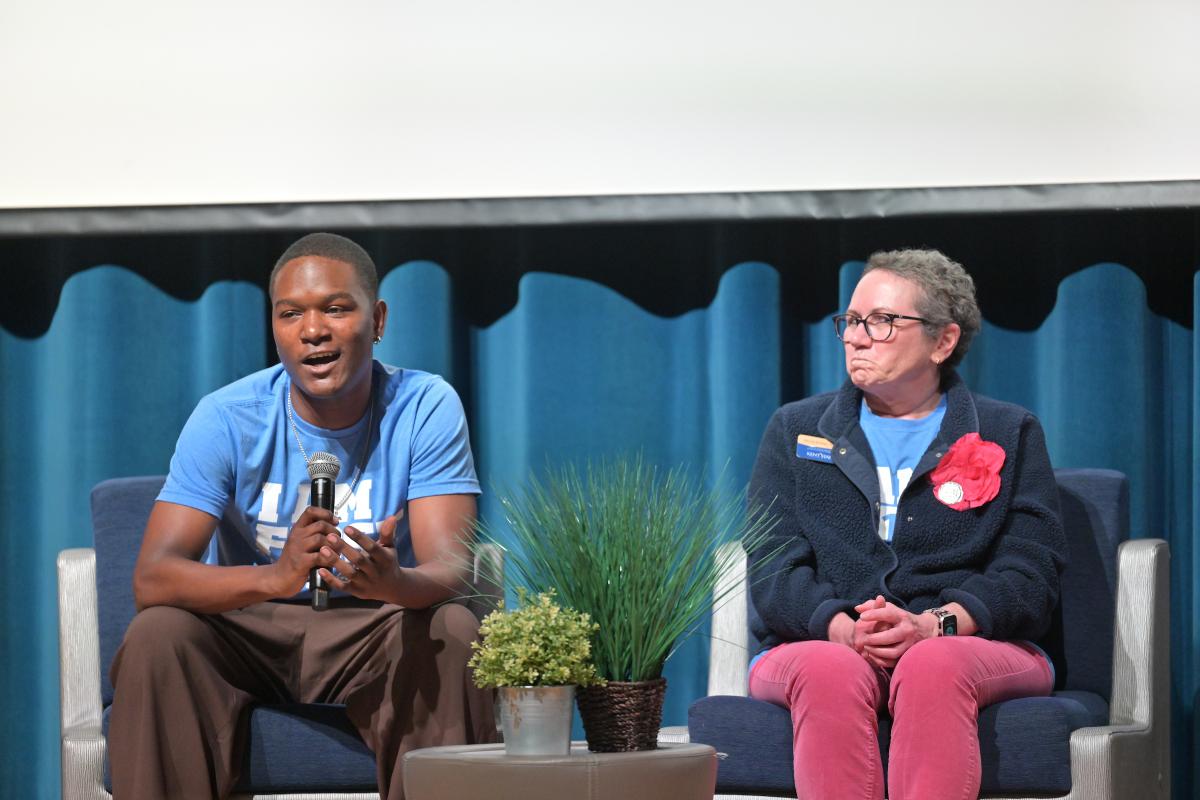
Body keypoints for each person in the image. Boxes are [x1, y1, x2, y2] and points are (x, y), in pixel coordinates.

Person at [109, 232, 496, 799]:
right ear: (276, 329)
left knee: (455, 629)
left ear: (378, 319)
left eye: (336, 309)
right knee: (157, 633)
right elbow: (153, 578)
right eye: (291, 314)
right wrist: (275, 577)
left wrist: (394, 581)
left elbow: (453, 568)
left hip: (375, 625)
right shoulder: (227, 416)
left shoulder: (424, 406)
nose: (313, 330)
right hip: (254, 626)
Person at [747, 249, 1067, 800]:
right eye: (849, 321)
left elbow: (1030, 574)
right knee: (830, 670)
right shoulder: (796, 430)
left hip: (967, 641)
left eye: (882, 321)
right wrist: (842, 627)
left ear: (943, 341)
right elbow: (773, 566)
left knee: (932, 665)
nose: (855, 337)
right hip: (819, 641)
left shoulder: (1007, 432)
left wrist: (933, 625)